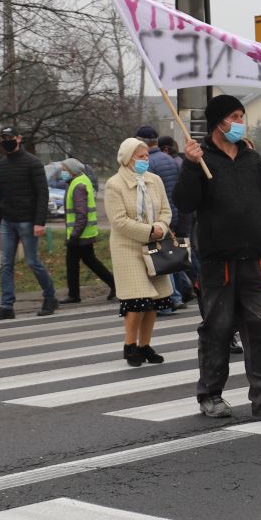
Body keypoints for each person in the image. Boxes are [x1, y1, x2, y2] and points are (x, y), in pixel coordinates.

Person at [176, 95, 261, 421]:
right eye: (234, 115)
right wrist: (189, 165)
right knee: (218, 329)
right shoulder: (201, 160)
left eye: (242, 115)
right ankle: (210, 395)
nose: (240, 121)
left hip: (256, 261)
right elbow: (186, 203)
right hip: (218, 264)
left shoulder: (252, 159)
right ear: (218, 122)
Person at [104, 139, 173, 367]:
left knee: (153, 299)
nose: (145, 160)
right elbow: (119, 221)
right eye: (140, 156)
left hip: (154, 246)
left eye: (146, 156)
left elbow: (165, 209)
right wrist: (149, 231)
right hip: (128, 248)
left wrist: (161, 227)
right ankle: (129, 345)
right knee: (137, 300)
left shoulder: (155, 180)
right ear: (127, 158)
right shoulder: (115, 184)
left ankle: (145, 345)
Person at [0, 125, 58, 320]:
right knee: (6, 264)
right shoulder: (1, 163)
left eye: (9, 137)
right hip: (7, 221)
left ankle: (50, 296)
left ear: (18, 138)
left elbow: (42, 194)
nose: (6, 141)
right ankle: (6, 305)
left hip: (28, 220)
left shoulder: (32, 163)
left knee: (33, 261)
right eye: (3, 138)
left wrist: (39, 222)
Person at [137, 125, 190, 310]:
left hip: (159, 215)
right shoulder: (169, 159)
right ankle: (179, 293)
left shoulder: (149, 163)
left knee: (162, 257)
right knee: (171, 254)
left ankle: (171, 297)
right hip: (174, 211)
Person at [57, 158, 115, 304]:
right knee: (88, 261)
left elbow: (81, 214)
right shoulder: (80, 181)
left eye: (64, 169)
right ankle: (114, 284)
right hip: (84, 233)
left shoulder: (78, 185)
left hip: (80, 234)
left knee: (73, 263)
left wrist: (74, 235)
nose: (62, 172)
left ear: (71, 170)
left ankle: (74, 295)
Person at [157, 134, 198, 304]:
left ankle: (187, 288)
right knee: (185, 250)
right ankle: (194, 284)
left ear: (165, 149)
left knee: (178, 253)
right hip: (185, 214)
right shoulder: (179, 162)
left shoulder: (173, 163)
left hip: (178, 214)